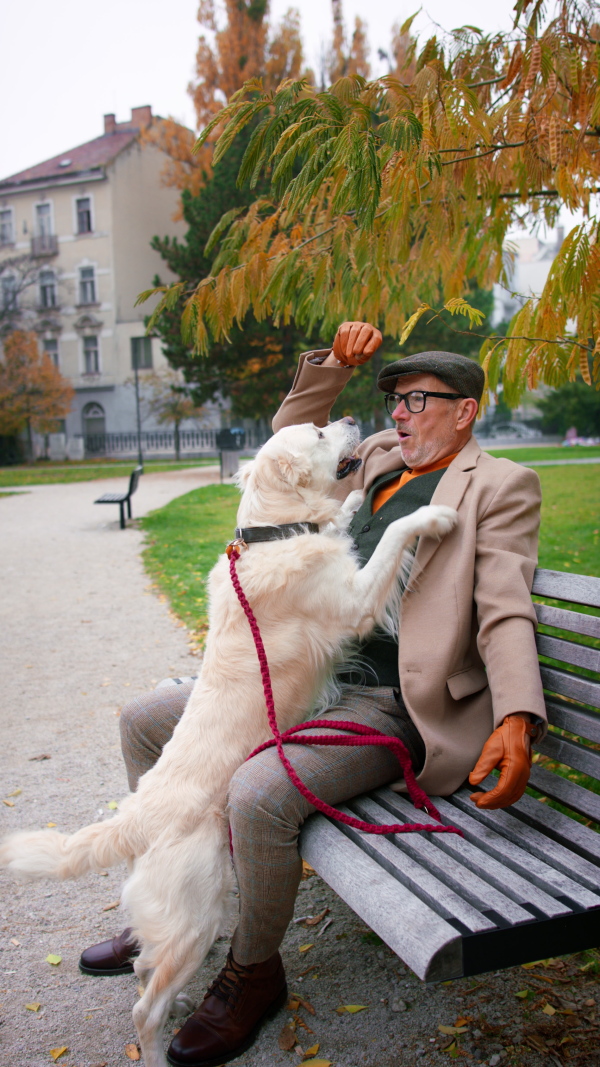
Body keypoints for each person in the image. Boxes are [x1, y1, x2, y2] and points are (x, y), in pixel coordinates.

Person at [79, 323, 547, 1067]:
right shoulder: (377, 459)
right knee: (144, 721)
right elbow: (289, 439)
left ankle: (253, 972)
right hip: (303, 669)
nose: (397, 412)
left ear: (465, 410)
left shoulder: (499, 485)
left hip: (388, 699)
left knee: (259, 793)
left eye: (417, 399)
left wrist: (518, 713)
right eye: (394, 398)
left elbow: (504, 605)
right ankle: (167, 909)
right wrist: (333, 366)